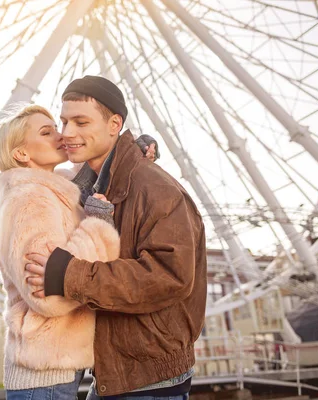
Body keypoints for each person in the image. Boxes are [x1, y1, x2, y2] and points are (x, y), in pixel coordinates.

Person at [25, 75, 207, 400]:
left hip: (149, 381)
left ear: (114, 124)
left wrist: (68, 275)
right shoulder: (90, 187)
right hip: (115, 373)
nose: (68, 132)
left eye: (81, 121)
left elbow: (169, 276)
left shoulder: (156, 189)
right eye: (64, 121)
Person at [0, 103, 155, 400]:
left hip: (56, 369)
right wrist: (96, 224)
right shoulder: (30, 201)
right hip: (42, 376)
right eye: (46, 131)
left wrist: (130, 154)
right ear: (22, 154)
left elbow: (93, 173)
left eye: (57, 126)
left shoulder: (58, 192)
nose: (61, 135)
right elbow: (49, 295)